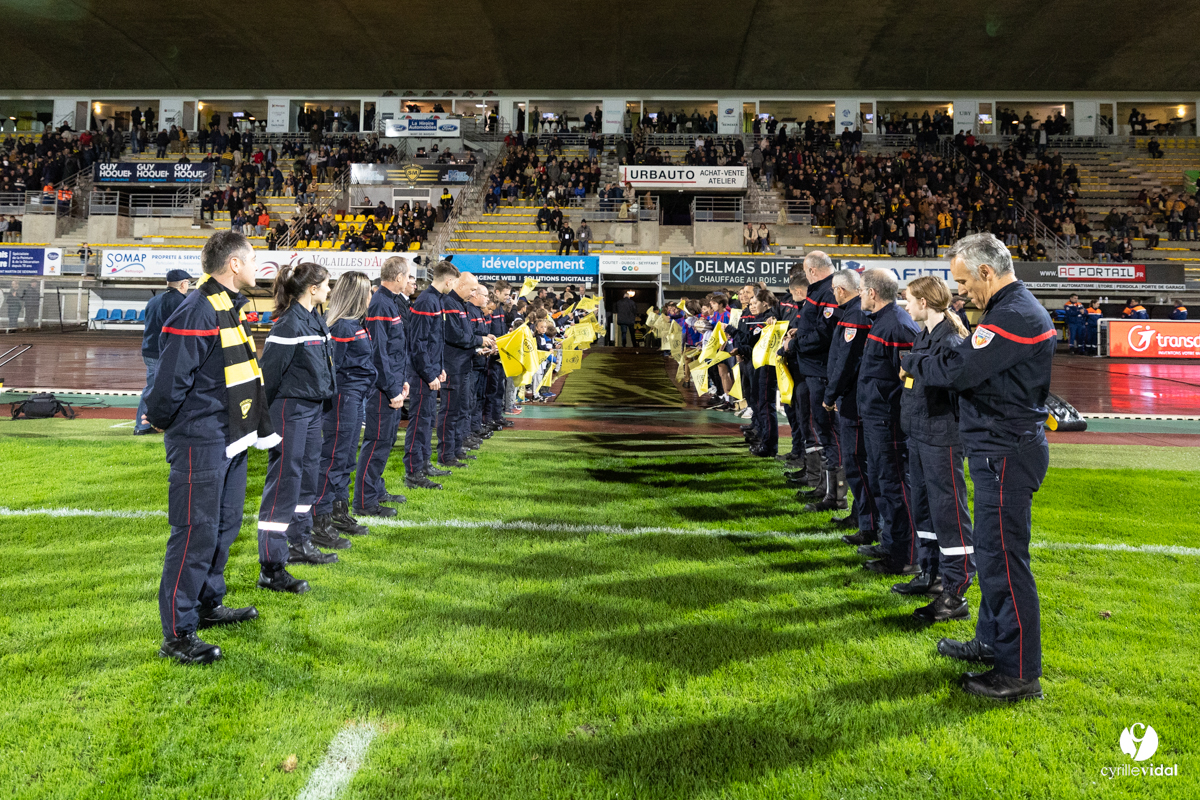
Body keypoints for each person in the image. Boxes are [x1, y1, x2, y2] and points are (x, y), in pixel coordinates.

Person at [902, 232, 1055, 702]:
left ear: (987, 272)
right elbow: (959, 360)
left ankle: (1018, 672)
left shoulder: (1012, 314)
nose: (962, 292)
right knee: (992, 558)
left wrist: (916, 362)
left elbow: (956, 369)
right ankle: (992, 640)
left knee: (1006, 565)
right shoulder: (1008, 309)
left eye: (965, 282)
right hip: (999, 449)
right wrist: (938, 358)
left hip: (1005, 451)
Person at [146, 231, 276, 665]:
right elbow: (171, 378)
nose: (258, 267)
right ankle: (178, 634)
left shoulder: (227, 304)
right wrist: (162, 419)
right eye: (253, 259)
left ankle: (208, 603)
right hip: (201, 439)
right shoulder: (200, 306)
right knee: (194, 533)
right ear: (234, 265)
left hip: (229, 435)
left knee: (224, 525)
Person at [256, 261, 342, 592]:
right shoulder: (288, 325)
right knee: (284, 482)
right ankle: (271, 564)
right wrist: (262, 424)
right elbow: (269, 376)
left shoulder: (315, 318)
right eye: (327, 284)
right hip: (289, 411)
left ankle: (299, 542)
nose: (330, 290)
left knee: (307, 478)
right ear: (313, 289)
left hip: (311, 410)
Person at [895, 276, 976, 623]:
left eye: (909, 300)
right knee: (925, 507)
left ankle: (955, 590)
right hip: (919, 433)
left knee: (949, 512)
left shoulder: (951, 338)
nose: (906, 306)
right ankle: (931, 574)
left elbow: (946, 379)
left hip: (941, 436)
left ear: (924, 303)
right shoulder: (925, 335)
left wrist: (910, 363)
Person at [856, 268, 920, 577]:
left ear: (872, 293)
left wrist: (895, 414)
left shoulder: (897, 326)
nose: (859, 296)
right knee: (884, 483)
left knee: (896, 486)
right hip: (876, 417)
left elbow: (910, 380)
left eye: (861, 290)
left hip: (888, 421)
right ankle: (891, 543)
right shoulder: (883, 322)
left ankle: (905, 556)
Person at [312, 271, 376, 540]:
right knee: (334, 458)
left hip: (355, 397)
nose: (372, 296)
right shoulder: (341, 327)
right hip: (343, 399)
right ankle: (321, 519)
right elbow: (331, 368)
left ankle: (339, 511)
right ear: (358, 295)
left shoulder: (354, 323)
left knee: (347, 457)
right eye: (368, 291)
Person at [821, 269, 877, 541]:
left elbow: (846, 363)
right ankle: (862, 516)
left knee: (856, 463)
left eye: (834, 290)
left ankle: (867, 523)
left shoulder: (855, 316)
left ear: (841, 290)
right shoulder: (857, 314)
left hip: (853, 402)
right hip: (858, 399)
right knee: (861, 463)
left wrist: (830, 395)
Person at [354, 257, 411, 515]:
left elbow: (395, 350)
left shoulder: (389, 302)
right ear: (398, 277)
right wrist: (391, 389)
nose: (410, 281)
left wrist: (402, 382)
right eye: (408, 276)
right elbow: (379, 353)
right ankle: (365, 502)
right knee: (376, 442)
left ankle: (375, 489)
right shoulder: (380, 303)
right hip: (381, 389)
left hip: (392, 384)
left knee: (385, 441)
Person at [787, 252, 843, 511]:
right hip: (815, 370)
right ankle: (824, 486)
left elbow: (825, 333)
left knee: (828, 432)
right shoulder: (822, 291)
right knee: (822, 431)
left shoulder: (828, 291)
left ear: (811, 271)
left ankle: (835, 495)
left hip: (820, 371)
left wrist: (796, 342)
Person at [403, 260, 459, 489]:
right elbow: (418, 343)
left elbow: (435, 341)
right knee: (419, 422)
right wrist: (429, 373)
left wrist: (440, 368)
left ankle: (424, 464)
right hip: (420, 374)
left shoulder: (433, 300)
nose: (452, 287)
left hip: (428, 371)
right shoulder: (427, 301)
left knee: (426, 421)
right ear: (448, 281)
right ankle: (414, 472)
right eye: (453, 283)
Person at [436, 271, 492, 468]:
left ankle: (456, 448)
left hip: (464, 363)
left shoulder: (460, 304)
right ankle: (445, 454)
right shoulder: (450, 304)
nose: (474, 293)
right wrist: (479, 340)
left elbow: (464, 335)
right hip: (453, 366)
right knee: (450, 411)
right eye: (472, 289)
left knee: (461, 408)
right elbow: (455, 335)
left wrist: (478, 348)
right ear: (460, 286)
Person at [135, 270, 192, 435]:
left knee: (151, 388)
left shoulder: (153, 300)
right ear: (183, 284)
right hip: (168, 352)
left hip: (149, 349)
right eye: (187, 283)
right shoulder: (182, 302)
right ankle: (171, 424)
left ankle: (143, 425)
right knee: (179, 387)